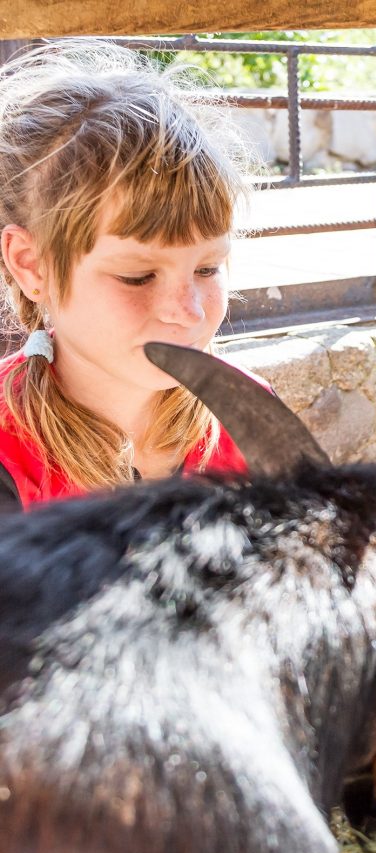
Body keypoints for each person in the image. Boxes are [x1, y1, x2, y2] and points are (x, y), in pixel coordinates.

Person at [0, 41, 259, 509]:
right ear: (31, 265)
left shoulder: (252, 418)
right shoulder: (8, 456)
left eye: (207, 268)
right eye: (138, 276)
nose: (188, 311)